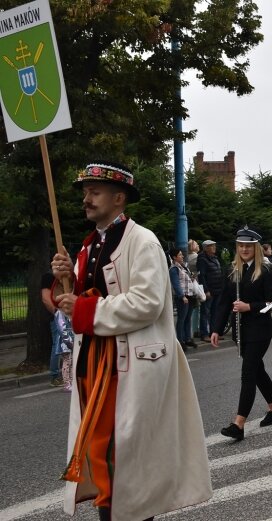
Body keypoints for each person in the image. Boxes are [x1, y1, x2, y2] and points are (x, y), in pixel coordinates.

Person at [51, 161, 211, 521]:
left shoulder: (143, 241)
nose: (86, 199)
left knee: (129, 459)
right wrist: (62, 282)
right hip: (94, 364)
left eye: (95, 192)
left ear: (119, 198)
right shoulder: (89, 246)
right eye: (85, 193)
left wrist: (84, 308)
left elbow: (147, 302)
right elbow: (71, 304)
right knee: (102, 452)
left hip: (130, 369)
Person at [211, 226, 272, 440]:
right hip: (240, 332)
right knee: (257, 371)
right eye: (241, 245)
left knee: (248, 374)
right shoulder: (232, 269)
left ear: (256, 248)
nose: (244, 249)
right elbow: (224, 302)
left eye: (248, 246)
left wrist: (250, 307)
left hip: (260, 330)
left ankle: (239, 424)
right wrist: (216, 329)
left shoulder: (266, 270)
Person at [169, 247, 197, 349]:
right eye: (180, 255)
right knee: (182, 318)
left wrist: (192, 277)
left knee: (187, 318)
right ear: (174, 257)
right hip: (183, 297)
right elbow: (176, 284)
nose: (182, 256)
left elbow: (186, 279)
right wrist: (182, 296)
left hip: (189, 295)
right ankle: (180, 340)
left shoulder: (184, 267)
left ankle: (187, 338)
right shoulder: (173, 269)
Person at [197, 239, 223, 341]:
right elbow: (202, 276)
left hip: (217, 289)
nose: (214, 248)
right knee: (205, 312)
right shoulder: (202, 259)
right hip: (210, 290)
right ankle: (204, 334)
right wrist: (206, 290)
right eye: (212, 246)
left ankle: (213, 332)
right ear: (207, 248)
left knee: (215, 312)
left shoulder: (214, 258)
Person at [40, 271, 62, 386]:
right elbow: (45, 298)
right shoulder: (49, 276)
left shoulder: (65, 276)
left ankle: (64, 374)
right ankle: (55, 376)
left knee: (64, 345)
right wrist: (57, 313)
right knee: (58, 344)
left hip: (66, 314)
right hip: (58, 316)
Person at [187, 239, 201, 341]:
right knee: (197, 308)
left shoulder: (187, 257)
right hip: (196, 284)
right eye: (196, 244)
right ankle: (196, 329)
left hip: (190, 284)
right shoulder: (196, 257)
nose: (198, 245)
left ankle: (193, 329)